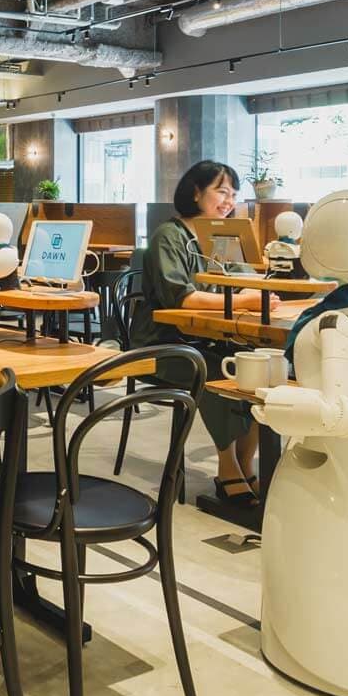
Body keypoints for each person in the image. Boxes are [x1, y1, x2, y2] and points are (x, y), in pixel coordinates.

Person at [131, 160, 264, 507]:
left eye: (234, 194)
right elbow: (182, 297)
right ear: (195, 192)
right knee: (215, 370)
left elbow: (249, 280)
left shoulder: (224, 235)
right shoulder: (169, 236)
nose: (229, 201)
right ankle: (227, 467)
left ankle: (246, 465)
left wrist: (256, 291)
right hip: (161, 345)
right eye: (222, 191)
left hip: (207, 338)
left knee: (261, 369)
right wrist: (242, 300)